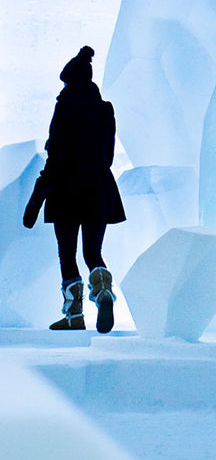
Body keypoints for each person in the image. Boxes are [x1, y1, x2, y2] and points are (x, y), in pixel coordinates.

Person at [23, 45, 126, 333]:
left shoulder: (65, 107)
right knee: (93, 252)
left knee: (67, 254)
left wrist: (39, 193)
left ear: (70, 81)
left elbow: (56, 152)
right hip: (98, 187)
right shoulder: (105, 109)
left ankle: (73, 315)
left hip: (66, 188)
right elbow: (107, 156)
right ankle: (103, 290)